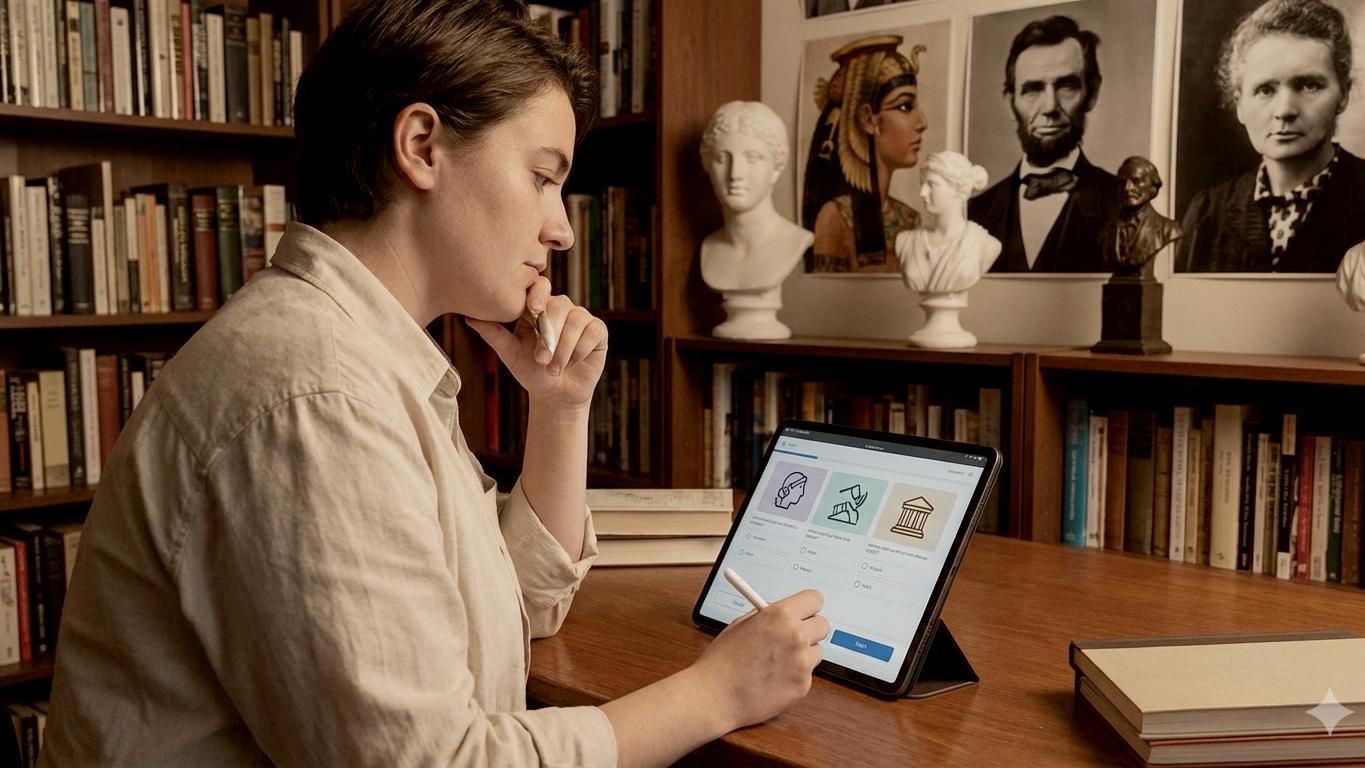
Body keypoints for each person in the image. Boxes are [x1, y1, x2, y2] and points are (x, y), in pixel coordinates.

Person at [39, 2, 829, 765]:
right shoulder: (318, 394)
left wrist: (559, 409)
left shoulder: (364, 353)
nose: (560, 228)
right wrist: (714, 694)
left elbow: (510, 611)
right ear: (421, 145)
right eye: (542, 176)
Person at [1177, 0, 1365, 274]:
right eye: (1265, 90)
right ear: (1240, 104)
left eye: (1309, 85)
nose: (1285, 110)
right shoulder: (1206, 213)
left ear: (1343, 94)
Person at [968, 15, 1124, 273]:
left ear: (1092, 93)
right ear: (1010, 102)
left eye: (1066, 86)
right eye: (1033, 89)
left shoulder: (1121, 203)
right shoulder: (974, 213)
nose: (1050, 107)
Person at [802, 34, 928, 273]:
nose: (922, 122)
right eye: (905, 106)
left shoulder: (910, 218)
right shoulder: (835, 219)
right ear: (868, 119)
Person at [699, 101, 813, 339]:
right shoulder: (709, 247)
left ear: (776, 168)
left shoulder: (794, 241)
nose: (736, 174)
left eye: (752, 158)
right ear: (707, 165)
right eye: (722, 158)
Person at [896, 151, 1000, 349]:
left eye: (932, 185)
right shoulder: (906, 241)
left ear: (957, 189)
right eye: (922, 184)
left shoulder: (985, 244)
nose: (922, 193)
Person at [1100, 156, 1182, 278]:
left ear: (1153, 187)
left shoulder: (1169, 229)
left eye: (1137, 181)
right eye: (1122, 182)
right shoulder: (1106, 231)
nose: (1127, 188)